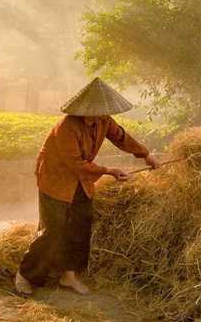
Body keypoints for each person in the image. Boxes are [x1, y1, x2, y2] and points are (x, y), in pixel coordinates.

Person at [13, 78, 159, 295]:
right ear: (85, 110)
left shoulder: (103, 121)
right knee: (53, 230)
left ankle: (68, 276)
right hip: (56, 180)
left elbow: (121, 137)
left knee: (80, 226)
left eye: (104, 111)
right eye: (98, 111)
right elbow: (75, 163)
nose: (102, 115)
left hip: (82, 181)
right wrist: (109, 171)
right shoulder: (66, 128)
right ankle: (25, 275)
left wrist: (145, 154)